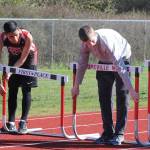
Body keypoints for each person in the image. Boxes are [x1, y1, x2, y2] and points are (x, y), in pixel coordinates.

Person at [71, 25, 138, 145]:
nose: (90, 45)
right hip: (104, 61)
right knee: (104, 97)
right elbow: (82, 64)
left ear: (94, 35)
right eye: (87, 43)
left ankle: (119, 134)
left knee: (122, 95)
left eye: (92, 41)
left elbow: (121, 68)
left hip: (121, 57)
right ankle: (107, 133)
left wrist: (131, 90)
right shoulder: (85, 44)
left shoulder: (107, 43)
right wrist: (76, 86)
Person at [0, 21, 38, 134]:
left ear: (18, 31)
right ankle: (11, 123)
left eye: (16, 35)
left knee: (26, 90)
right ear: (6, 34)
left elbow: (22, 59)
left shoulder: (27, 37)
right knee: (12, 89)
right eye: (10, 37)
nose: (14, 39)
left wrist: (10, 72)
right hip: (13, 58)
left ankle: (23, 122)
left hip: (29, 59)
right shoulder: (2, 38)